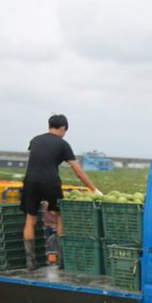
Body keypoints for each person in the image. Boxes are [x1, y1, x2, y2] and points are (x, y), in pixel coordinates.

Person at [21, 114, 101, 269]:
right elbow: (78, 171)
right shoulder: (63, 144)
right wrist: (94, 189)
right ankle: (62, 262)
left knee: (30, 219)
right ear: (63, 128)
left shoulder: (35, 140)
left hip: (30, 181)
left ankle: (30, 263)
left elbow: (37, 158)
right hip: (51, 181)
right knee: (59, 216)